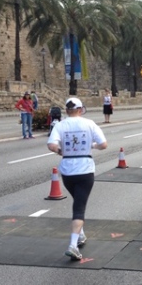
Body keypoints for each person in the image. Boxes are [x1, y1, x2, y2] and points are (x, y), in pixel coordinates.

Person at [47, 98, 107, 260]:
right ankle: (73, 245)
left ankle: (80, 234)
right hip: (85, 168)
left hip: (67, 170)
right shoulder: (89, 124)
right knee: (79, 208)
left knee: (77, 201)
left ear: (67, 110)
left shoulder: (60, 125)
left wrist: (61, 151)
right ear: (80, 110)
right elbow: (103, 144)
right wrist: (92, 145)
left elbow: (51, 145)